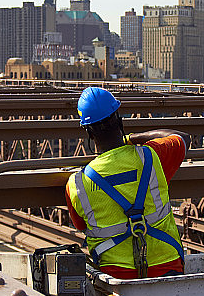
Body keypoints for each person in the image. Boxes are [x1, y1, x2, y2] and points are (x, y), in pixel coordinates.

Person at [65, 87, 190, 279]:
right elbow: (182, 138)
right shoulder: (152, 156)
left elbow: (80, 226)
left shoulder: (76, 184)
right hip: (167, 268)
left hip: (116, 279)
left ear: (89, 132)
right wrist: (130, 138)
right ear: (119, 120)